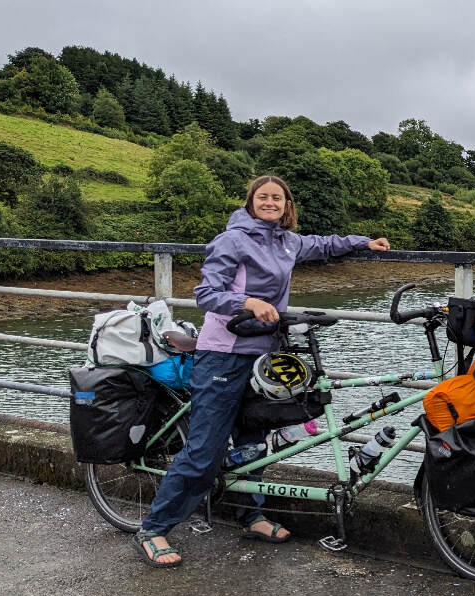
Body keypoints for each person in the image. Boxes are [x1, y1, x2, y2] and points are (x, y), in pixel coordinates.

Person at [134, 175, 391, 567]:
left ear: (287, 205)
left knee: (252, 444)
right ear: (250, 201)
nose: (270, 202)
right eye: (263, 197)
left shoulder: (287, 241)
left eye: (278, 198)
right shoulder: (233, 239)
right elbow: (206, 295)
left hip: (264, 355)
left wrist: (363, 242)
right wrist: (249, 302)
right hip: (223, 353)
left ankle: (249, 515)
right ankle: (154, 530)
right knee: (205, 451)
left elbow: (322, 245)